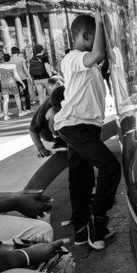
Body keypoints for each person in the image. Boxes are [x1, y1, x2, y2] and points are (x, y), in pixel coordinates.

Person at [53, 13, 121, 250]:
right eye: (96, 34)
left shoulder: (87, 64)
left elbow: (100, 60)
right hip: (75, 125)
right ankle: (97, 223)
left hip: (83, 127)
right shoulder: (73, 58)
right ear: (85, 35)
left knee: (80, 180)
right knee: (110, 168)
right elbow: (98, 54)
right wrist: (100, 22)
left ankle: (81, 231)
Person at [29, 83, 67, 157]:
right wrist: (41, 149)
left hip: (66, 127)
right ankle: (58, 139)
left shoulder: (74, 97)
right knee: (53, 112)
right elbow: (32, 130)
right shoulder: (48, 104)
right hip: (47, 133)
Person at [0, 53, 28, 120]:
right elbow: (16, 76)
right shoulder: (13, 65)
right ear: (10, 59)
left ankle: (6, 115)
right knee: (17, 97)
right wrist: (22, 83)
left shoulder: (0, 66)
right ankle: (20, 112)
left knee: (6, 100)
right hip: (12, 83)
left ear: (3, 59)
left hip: (4, 84)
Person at [10, 46, 33, 113]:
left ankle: (22, 109)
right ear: (17, 52)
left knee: (18, 95)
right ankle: (28, 108)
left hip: (14, 79)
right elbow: (25, 69)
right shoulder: (21, 59)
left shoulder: (10, 60)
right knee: (26, 93)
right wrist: (30, 77)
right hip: (23, 78)